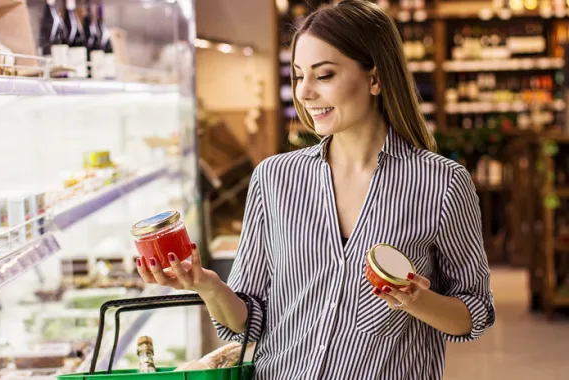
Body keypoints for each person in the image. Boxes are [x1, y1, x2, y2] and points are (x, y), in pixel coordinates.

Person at [136, 0, 496, 378]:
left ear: (375, 79)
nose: (305, 93)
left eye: (323, 76)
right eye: (298, 76)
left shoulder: (441, 182)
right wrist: (208, 287)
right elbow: (250, 321)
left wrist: (417, 301)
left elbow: (475, 314)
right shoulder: (275, 178)